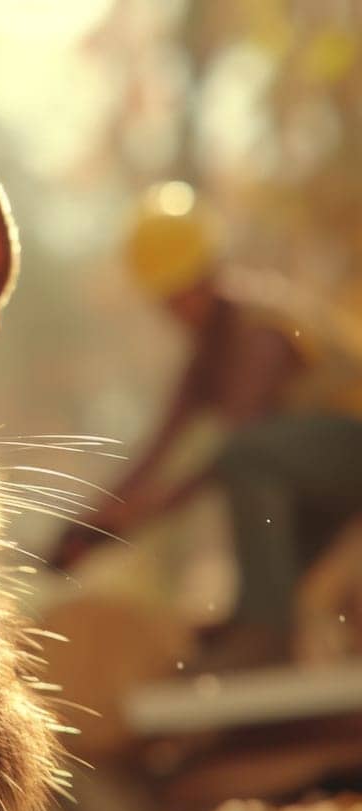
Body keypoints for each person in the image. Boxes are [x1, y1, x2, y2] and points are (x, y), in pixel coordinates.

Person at [52, 181, 362, 666]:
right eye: (165, 298)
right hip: (320, 475)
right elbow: (157, 452)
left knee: (249, 463)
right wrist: (90, 525)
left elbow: (229, 456)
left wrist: (138, 518)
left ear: (206, 273)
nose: (173, 310)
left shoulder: (258, 331)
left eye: (179, 293)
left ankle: (266, 633)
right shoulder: (207, 353)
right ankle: (260, 624)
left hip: (349, 450)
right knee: (271, 526)